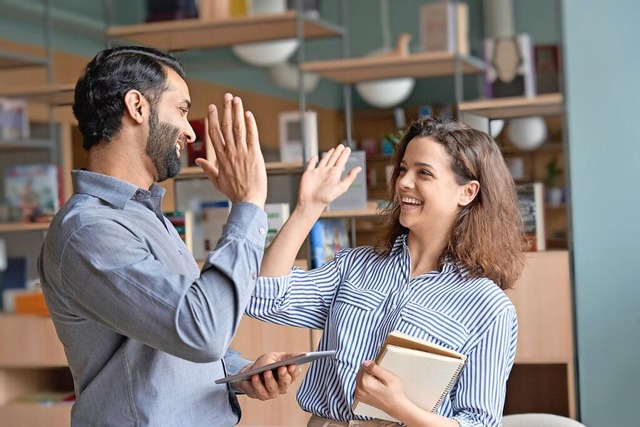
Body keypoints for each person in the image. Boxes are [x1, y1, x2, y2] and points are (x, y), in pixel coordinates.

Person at [37, 45, 304, 426]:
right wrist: (249, 202)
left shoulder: (145, 214)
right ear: (137, 106)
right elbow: (202, 330)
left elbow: (167, 331)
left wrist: (242, 371)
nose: (188, 129)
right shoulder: (88, 231)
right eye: (181, 109)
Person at [246, 116, 527, 427]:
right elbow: (263, 297)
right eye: (403, 170)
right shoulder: (354, 267)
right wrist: (308, 207)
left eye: (424, 173)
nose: (404, 182)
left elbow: (479, 423)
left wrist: (399, 407)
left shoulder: (489, 307)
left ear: (467, 192)